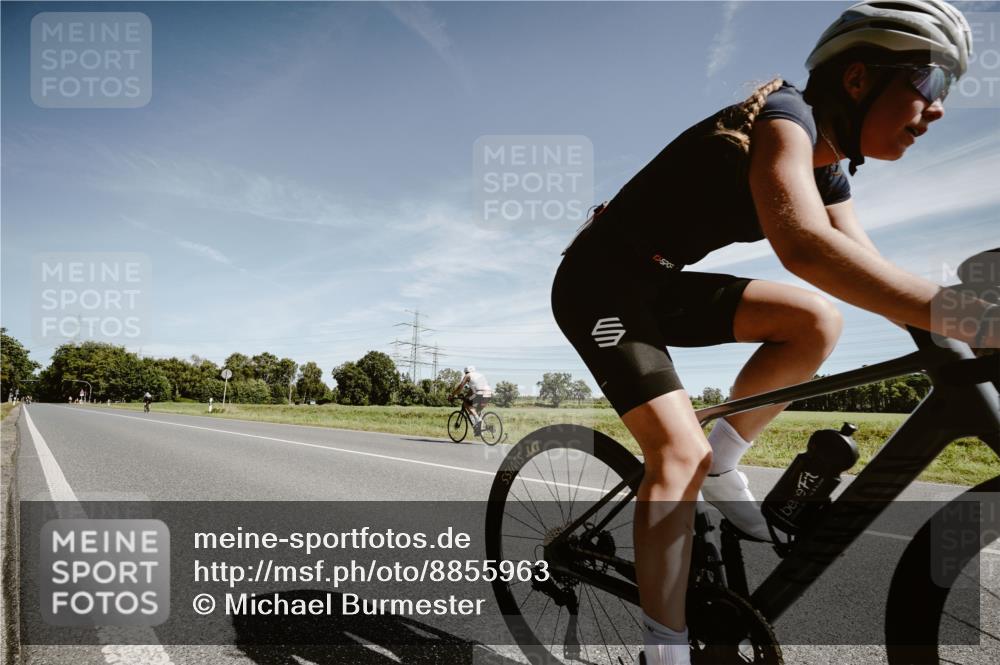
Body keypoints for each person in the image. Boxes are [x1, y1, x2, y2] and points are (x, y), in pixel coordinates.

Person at [549, 2, 994, 663]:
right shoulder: (787, 117)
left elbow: (865, 265)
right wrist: (974, 318)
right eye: (932, 81)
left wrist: (957, 322)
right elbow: (805, 247)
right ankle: (664, 651)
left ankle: (725, 459)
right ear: (858, 78)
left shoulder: (829, 166)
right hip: (599, 285)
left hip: (661, 285)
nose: (939, 109)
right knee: (677, 455)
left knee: (817, 320)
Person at [449, 366, 492, 433]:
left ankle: (478, 420)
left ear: (466, 372)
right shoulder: (478, 376)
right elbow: (471, 391)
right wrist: (466, 397)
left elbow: (460, 387)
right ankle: (480, 431)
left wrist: (452, 395)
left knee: (466, 403)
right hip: (488, 393)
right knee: (476, 411)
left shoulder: (468, 375)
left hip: (479, 393)